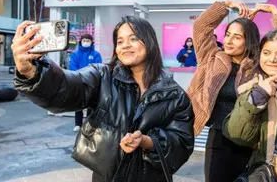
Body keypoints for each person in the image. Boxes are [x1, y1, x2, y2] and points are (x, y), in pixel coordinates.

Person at [12, 17, 194, 182]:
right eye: (120, 41)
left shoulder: (175, 95)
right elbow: (67, 87)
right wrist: (31, 71)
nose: (125, 45)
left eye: (133, 38)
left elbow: (183, 143)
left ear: (150, 42)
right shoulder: (102, 76)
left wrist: (148, 141)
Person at [187, 1, 277, 182]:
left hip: (252, 138)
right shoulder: (211, 57)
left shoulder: (259, 66)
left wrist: (275, 13)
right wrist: (225, 5)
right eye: (227, 35)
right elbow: (201, 26)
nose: (229, 41)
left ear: (248, 40)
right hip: (219, 136)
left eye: (237, 37)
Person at [223, 28, 277, 182]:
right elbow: (237, 135)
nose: (272, 59)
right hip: (269, 176)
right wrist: (258, 98)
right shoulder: (251, 90)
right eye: (266, 53)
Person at [69, 34, 102, 132]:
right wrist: (80, 76)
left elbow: (98, 67)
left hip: (91, 82)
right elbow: (72, 67)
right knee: (78, 103)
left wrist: (90, 77)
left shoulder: (96, 54)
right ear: (80, 41)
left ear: (92, 42)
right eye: (84, 40)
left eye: (88, 40)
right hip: (78, 81)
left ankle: (88, 123)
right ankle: (78, 124)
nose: (86, 42)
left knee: (90, 104)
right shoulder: (75, 54)